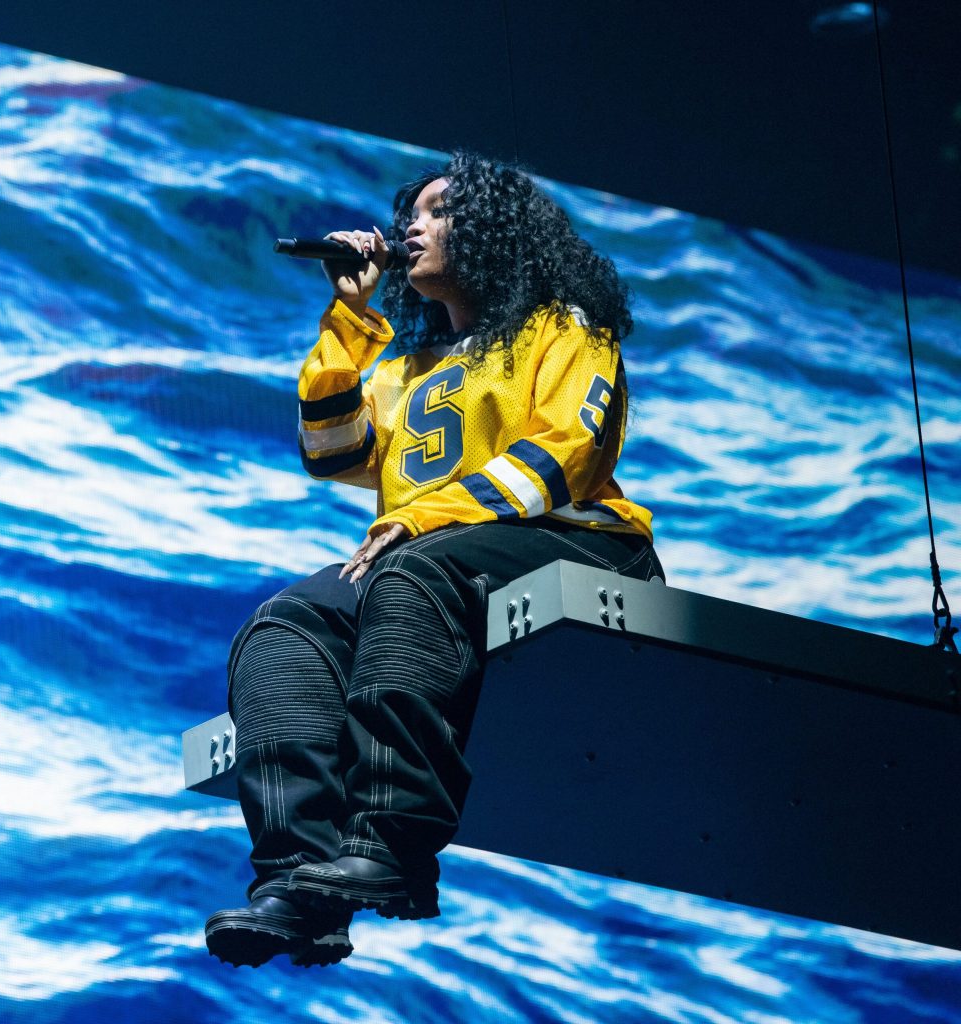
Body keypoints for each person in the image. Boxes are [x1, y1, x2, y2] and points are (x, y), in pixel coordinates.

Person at [205, 152, 664, 969]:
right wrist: (350, 317)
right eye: (409, 214)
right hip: (433, 560)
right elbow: (331, 449)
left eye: (440, 212)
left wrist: (423, 519)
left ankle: (392, 845)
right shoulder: (410, 370)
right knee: (284, 628)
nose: (412, 227)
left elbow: (567, 455)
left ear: (493, 231)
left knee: (413, 573)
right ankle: (299, 883)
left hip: (582, 545)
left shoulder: (565, 327)